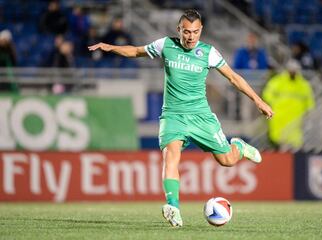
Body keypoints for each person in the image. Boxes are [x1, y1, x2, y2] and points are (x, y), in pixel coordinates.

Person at [88, 9, 273, 227]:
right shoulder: (165, 45)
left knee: (227, 161)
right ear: (179, 30)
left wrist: (258, 101)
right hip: (172, 115)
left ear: (201, 31)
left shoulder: (208, 52)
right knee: (170, 156)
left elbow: (233, 78)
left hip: (200, 116)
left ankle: (239, 148)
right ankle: (173, 206)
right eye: (186, 32)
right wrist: (111, 47)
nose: (191, 37)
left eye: (195, 32)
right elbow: (136, 51)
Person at [262, 59, 315, 150]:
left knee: (295, 143)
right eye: (291, 70)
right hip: (279, 118)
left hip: (296, 119)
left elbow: (309, 101)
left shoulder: (303, 85)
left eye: (294, 70)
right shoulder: (278, 81)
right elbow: (267, 94)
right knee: (277, 142)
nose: (293, 72)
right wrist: (276, 105)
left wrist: (308, 112)